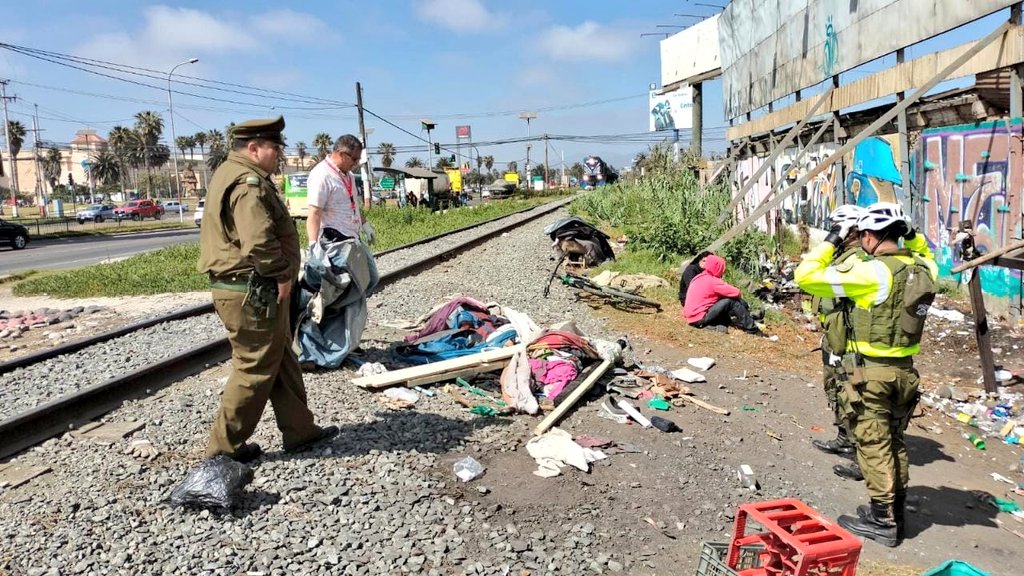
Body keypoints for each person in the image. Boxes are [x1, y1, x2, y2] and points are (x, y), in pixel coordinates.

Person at [794, 202, 937, 547]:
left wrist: (834, 237)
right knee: (895, 442)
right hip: (906, 372)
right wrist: (912, 236)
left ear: (870, 236)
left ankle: (883, 520)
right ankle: (896, 512)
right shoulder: (924, 269)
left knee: (873, 445)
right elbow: (927, 251)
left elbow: (806, 276)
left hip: (872, 373)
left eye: (863, 234)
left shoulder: (873, 274)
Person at [197, 116, 337, 462]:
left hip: (250, 288)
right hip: (252, 290)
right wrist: (282, 274)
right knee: (255, 366)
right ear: (254, 148)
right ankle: (223, 451)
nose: (280, 154)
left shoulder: (236, 174)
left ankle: (300, 430)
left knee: (281, 357)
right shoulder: (248, 183)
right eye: (275, 147)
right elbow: (258, 241)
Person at [807, 205, 866, 482]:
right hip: (835, 337)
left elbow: (808, 276)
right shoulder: (843, 255)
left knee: (854, 397)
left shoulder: (859, 260)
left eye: (838, 228)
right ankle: (844, 439)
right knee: (835, 390)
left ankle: (860, 456)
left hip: (850, 343)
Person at [306, 135, 376, 247]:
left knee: (368, 264)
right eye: (354, 159)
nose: (356, 163)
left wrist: (364, 224)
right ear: (342, 155)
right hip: (333, 242)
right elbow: (314, 213)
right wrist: (313, 245)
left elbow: (352, 206)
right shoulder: (321, 175)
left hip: (352, 238)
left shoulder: (350, 176)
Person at [682, 255, 760, 333]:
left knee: (724, 299)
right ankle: (752, 329)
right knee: (731, 301)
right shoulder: (713, 281)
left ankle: (747, 316)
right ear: (718, 268)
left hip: (691, 317)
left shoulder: (699, 277)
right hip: (699, 318)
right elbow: (736, 292)